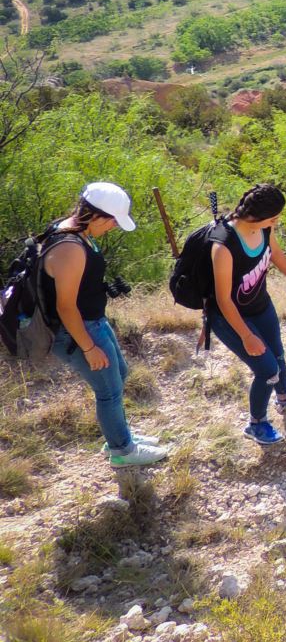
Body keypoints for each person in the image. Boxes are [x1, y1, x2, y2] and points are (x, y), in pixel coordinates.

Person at [39, 183, 169, 469]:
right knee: (108, 391)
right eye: (111, 221)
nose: (112, 227)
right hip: (77, 331)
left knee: (119, 374)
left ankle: (118, 437)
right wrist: (88, 347)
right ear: (95, 215)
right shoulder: (70, 248)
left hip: (92, 321)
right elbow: (65, 306)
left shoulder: (74, 230)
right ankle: (122, 451)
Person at [206, 183, 286, 447]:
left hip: (261, 306)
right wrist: (246, 335)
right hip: (230, 318)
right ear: (257, 215)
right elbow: (223, 300)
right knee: (267, 369)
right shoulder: (224, 246)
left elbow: (274, 252)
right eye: (274, 217)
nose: (276, 221)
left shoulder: (265, 227)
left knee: (278, 355)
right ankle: (256, 424)